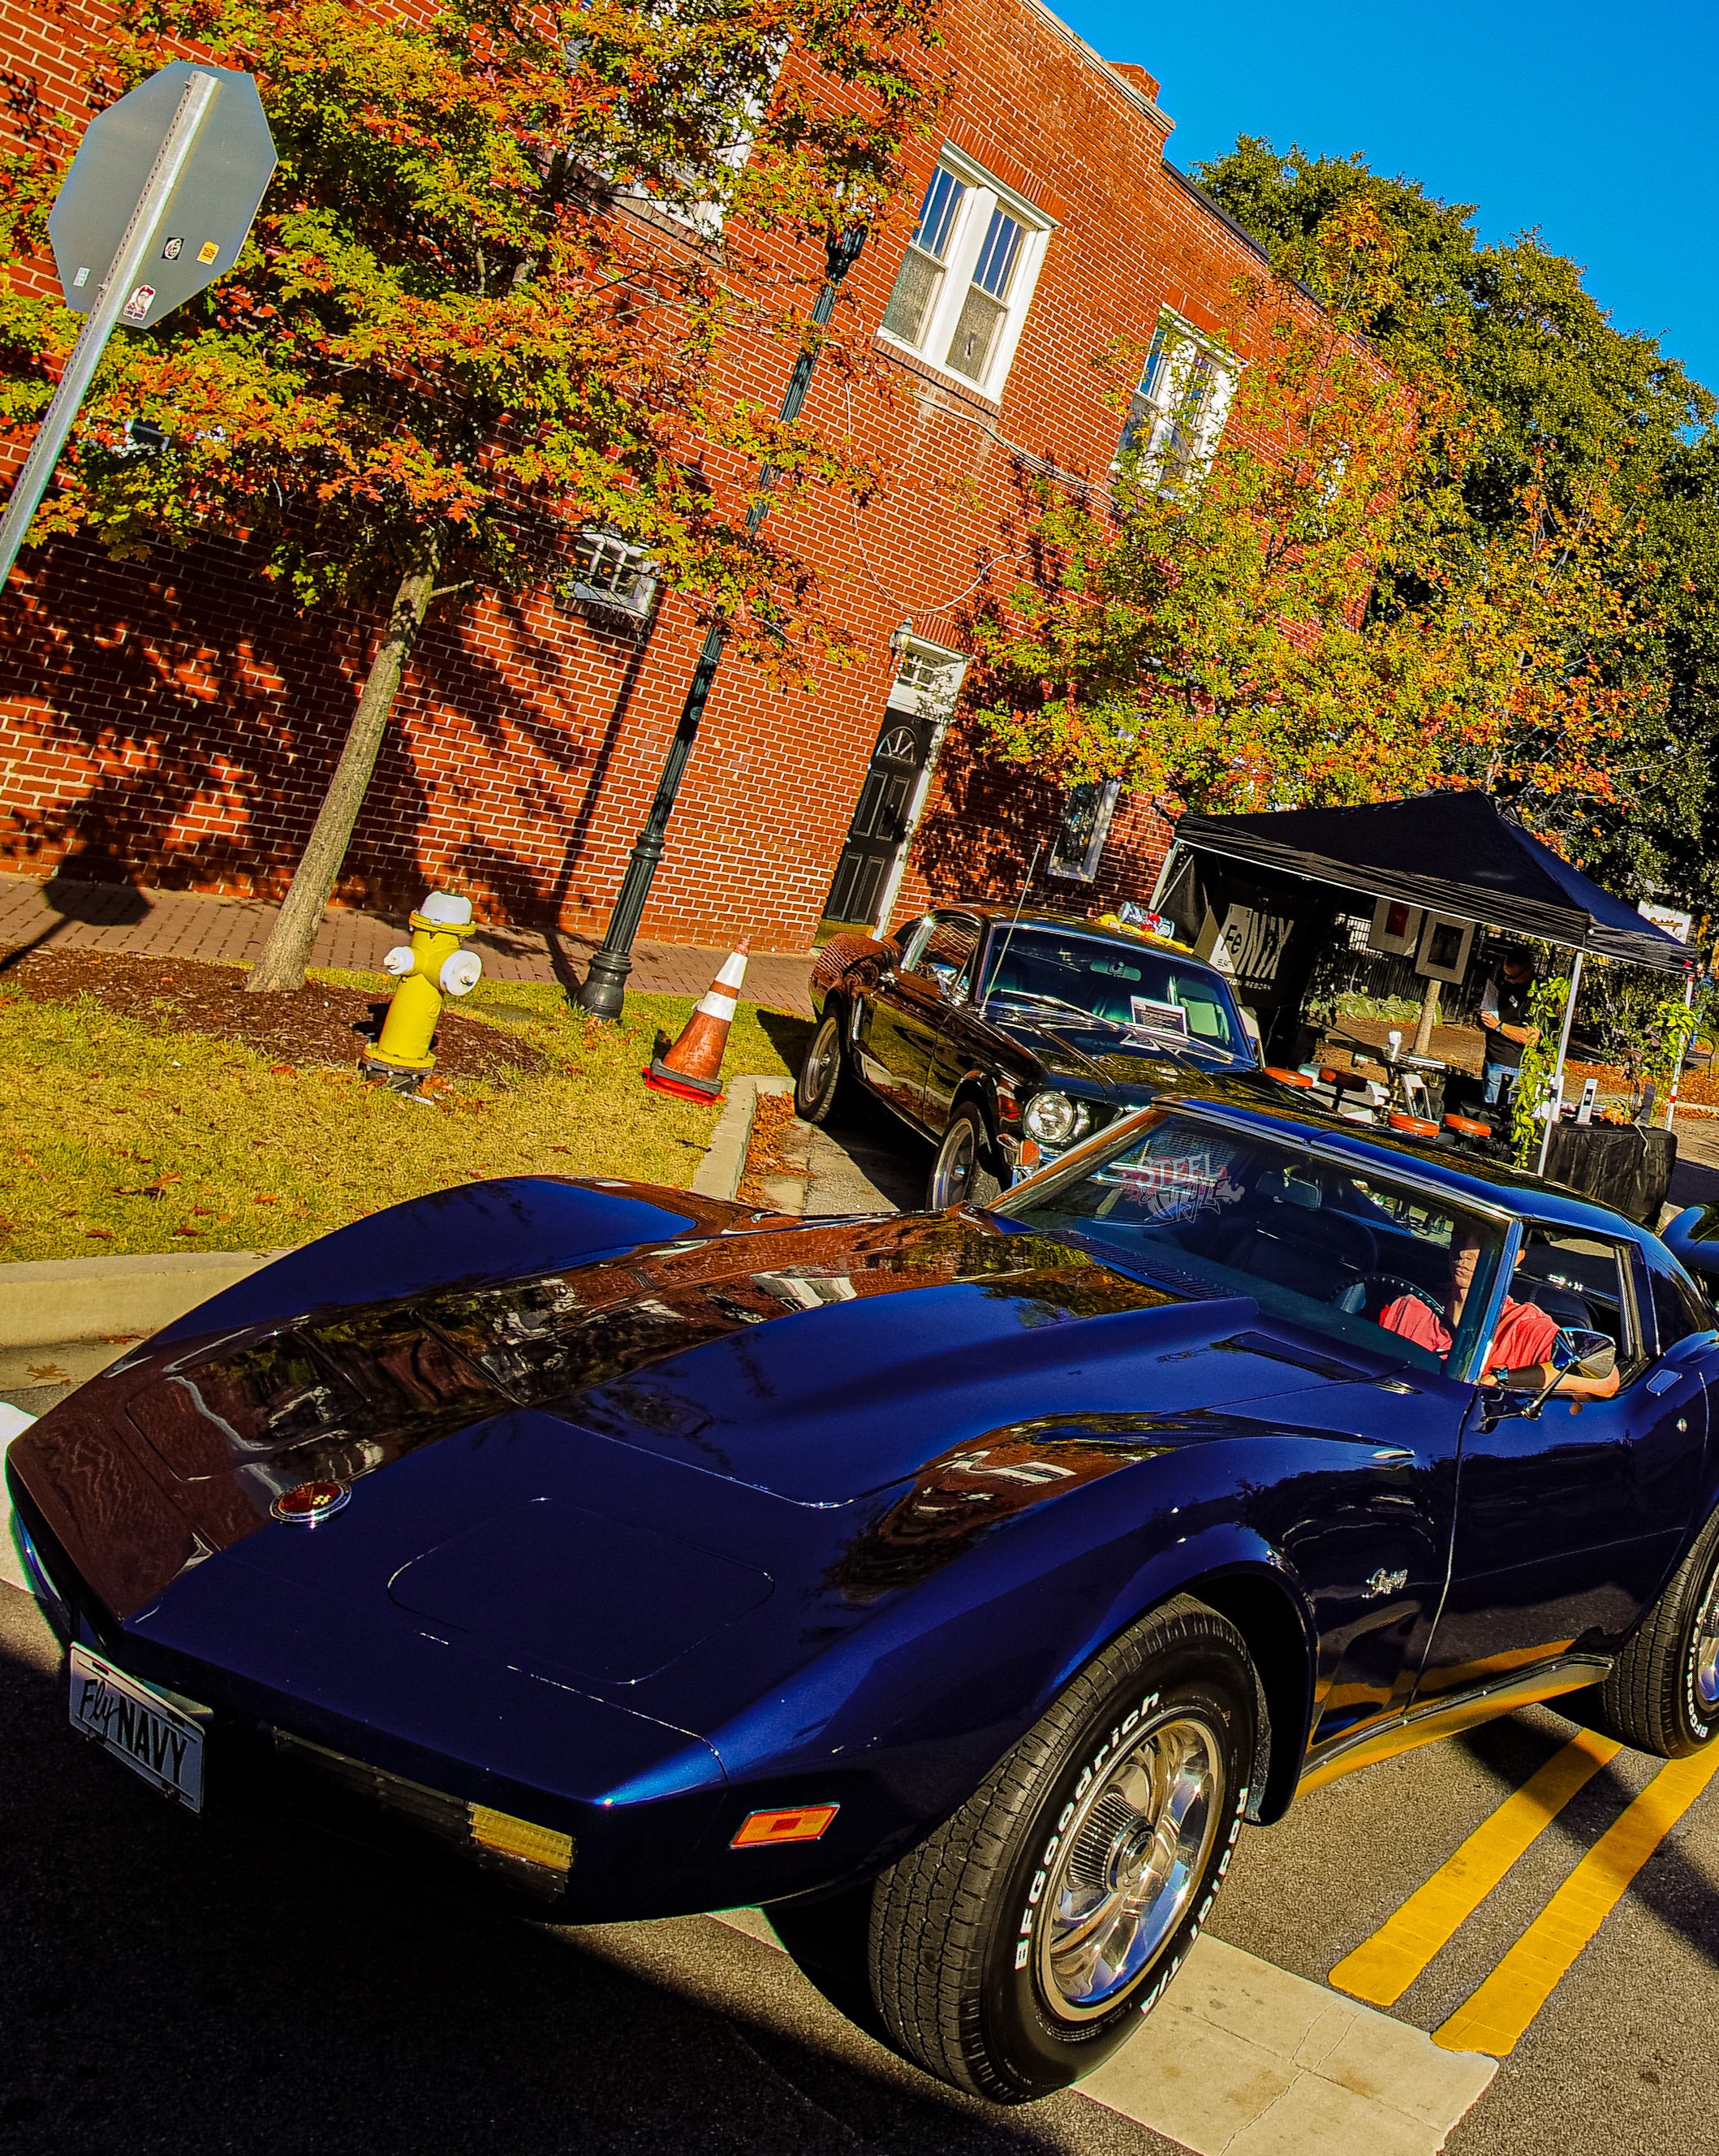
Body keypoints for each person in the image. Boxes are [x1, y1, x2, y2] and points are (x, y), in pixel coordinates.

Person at [1379, 1227, 1621, 1398]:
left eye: (1484, 1243)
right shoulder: (1408, 1309)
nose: (1465, 1251)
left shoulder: (1524, 1327)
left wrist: (1505, 1378)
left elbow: (1606, 1380)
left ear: (1514, 1258)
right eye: (1460, 1237)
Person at [1476, 946, 1540, 1113]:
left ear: (1527, 971)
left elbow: (1530, 1037)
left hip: (1511, 1063)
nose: (1508, 979)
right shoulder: (1505, 985)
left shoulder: (1534, 997)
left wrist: (1498, 1026)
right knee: (1485, 1107)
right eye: (1506, 975)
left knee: (1499, 1112)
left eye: (1512, 977)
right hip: (1492, 1057)